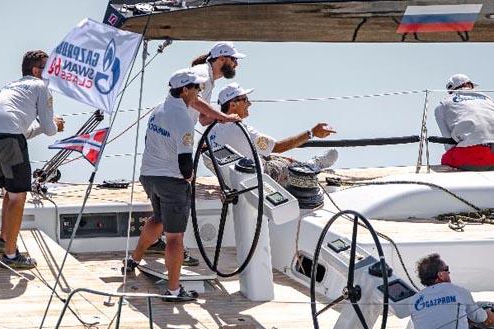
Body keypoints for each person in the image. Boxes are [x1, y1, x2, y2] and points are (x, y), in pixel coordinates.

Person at [145, 42, 246, 262]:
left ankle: (157, 244)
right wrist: (225, 117)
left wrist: (226, 112)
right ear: (221, 59)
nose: (236, 64)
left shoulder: (209, 80)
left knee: (164, 209)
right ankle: (172, 248)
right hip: (176, 141)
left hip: (176, 140)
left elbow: (202, 118)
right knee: (175, 200)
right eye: (234, 59)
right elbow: (195, 102)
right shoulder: (202, 74)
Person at [123, 68, 207, 302]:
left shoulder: (159, 109)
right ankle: (173, 290)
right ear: (185, 90)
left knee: (158, 218)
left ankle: (134, 260)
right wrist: (188, 179)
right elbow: (184, 163)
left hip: (149, 176)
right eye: (197, 89)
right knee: (174, 238)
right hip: (171, 181)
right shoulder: (183, 118)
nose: (199, 93)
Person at [0, 50, 65, 270]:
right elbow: (49, 129)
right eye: (47, 68)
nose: (51, 73)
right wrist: (57, 124)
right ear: (36, 71)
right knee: (19, 196)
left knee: (10, 191)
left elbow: (19, 130)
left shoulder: (10, 86)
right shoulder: (41, 87)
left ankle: (4, 240)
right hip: (9, 137)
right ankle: (10, 253)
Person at [376, 253, 494, 329]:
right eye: (447, 269)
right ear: (440, 275)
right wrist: (489, 313)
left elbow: (426, 325)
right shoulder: (460, 292)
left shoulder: (415, 300)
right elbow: (486, 320)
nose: (449, 273)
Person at [208, 83, 338, 185]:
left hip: (234, 176)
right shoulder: (242, 131)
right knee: (290, 166)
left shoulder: (212, 130)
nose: (250, 103)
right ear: (233, 104)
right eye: (245, 100)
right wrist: (312, 132)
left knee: (273, 157)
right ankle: (314, 165)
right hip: (258, 177)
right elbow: (279, 147)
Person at [435, 74, 494, 170]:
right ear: (469, 85)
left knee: (446, 158)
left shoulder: (442, 105)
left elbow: (449, 145)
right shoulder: (488, 99)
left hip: (474, 156)